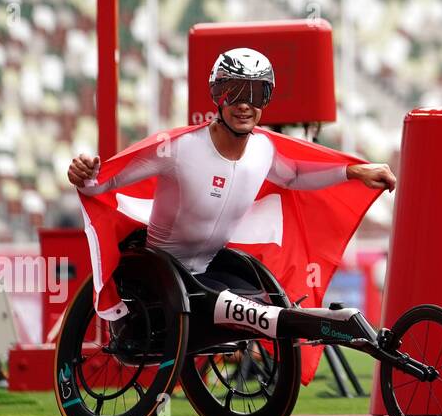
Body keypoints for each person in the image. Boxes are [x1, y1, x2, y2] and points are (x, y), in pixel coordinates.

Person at [67, 47, 395, 285]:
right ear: (216, 95)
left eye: (256, 93)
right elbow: (101, 184)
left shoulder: (265, 149)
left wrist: (354, 171)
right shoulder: (176, 148)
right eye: (234, 91)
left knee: (271, 303)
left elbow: (294, 176)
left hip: (211, 269)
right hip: (159, 272)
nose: (244, 104)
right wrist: (83, 174)